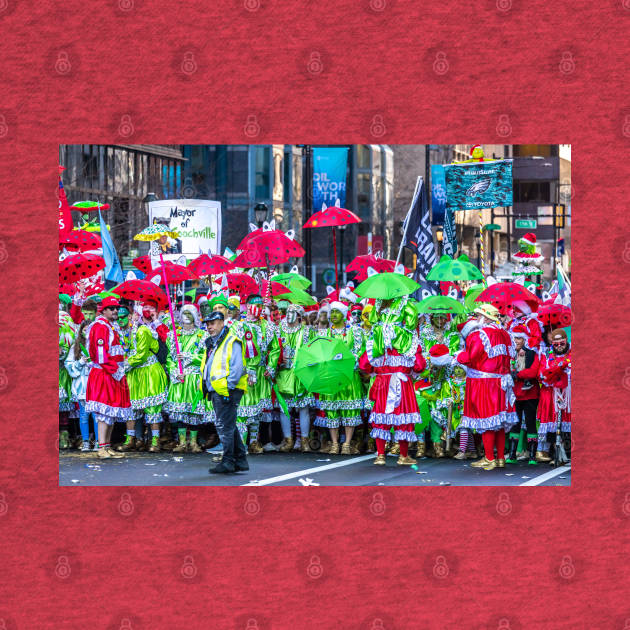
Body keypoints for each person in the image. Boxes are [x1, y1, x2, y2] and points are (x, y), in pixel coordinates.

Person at [359, 295, 426, 466]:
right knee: (403, 419)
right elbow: (419, 366)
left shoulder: (376, 338)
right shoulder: (408, 339)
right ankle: (403, 456)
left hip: (382, 383)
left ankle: (380, 455)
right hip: (402, 385)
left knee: (382, 418)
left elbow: (364, 364)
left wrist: (377, 369)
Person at [456, 304, 518, 470]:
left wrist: (457, 355)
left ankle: (489, 458)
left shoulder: (479, 334)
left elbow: (470, 357)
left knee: (487, 420)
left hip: (484, 383)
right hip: (502, 383)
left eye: (478, 316)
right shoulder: (506, 334)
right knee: (498, 421)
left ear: (486, 318)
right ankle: (499, 458)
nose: (476, 319)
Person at [200, 311, 248, 474]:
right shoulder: (214, 343)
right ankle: (240, 459)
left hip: (226, 390)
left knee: (224, 427)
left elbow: (237, 367)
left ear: (222, 323)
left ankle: (228, 461)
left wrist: (228, 388)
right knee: (229, 426)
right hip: (218, 389)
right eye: (207, 324)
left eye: (212, 323)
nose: (209, 327)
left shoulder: (231, 341)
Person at [85, 297, 133, 458]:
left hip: (112, 373)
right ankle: (101, 448)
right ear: (103, 310)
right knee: (104, 411)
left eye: (116, 308)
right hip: (105, 373)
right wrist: (115, 371)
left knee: (111, 411)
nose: (115, 311)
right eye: (111, 308)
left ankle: (107, 446)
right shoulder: (100, 327)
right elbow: (100, 355)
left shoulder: (110, 327)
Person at [119, 299, 169, 453]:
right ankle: (131, 439)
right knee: (131, 409)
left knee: (152, 408)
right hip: (134, 374)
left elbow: (140, 355)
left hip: (149, 372)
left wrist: (122, 366)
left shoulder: (143, 330)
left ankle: (155, 441)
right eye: (117, 317)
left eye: (124, 317)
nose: (120, 320)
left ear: (131, 316)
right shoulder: (123, 333)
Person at [315, 301, 364, 455]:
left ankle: (347, 444)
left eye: (337, 312)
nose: (333, 315)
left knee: (349, 410)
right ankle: (335, 443)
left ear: (344, 314)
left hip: (349, 377)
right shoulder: (324, 333)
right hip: (331, 377)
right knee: (331, 410)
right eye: (332, 312)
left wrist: (347, 362)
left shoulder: (355, 331)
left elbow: (360, 351)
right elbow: (319, 353)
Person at [232, 302, 281, 454]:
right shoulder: (238, 326)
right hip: (244, 372)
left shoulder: (269, 327)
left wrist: (271, 366)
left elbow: (275, 348)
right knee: (242, 410)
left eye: (256, 309)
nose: (252, 313)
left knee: (257, 410)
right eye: (250, 310)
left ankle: (254, 441)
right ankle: (241, 445)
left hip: (260, 372)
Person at [165, 304, 211, 453]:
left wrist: (190, 356)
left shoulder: (203, 335)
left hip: (194, 378)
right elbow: (169, 358)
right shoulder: (173, 336)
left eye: (189, 314)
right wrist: (174, 372)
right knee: (180, 411)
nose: (185, 316)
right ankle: (182, 442)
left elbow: (206, 357)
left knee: (194, 411)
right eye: (183, 313)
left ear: (195, 316)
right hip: (180, 378)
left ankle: (193, 442)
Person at [274, 304, 313, 452]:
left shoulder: (307, 331)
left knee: (303, 408)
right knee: (285, 408)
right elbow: (272, 349)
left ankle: (304, 441)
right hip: (284, 373)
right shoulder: (278, 330)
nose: (288, 314)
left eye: (292, 312)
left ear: (299, 315)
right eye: (287, 311)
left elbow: (312, 351)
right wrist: (278, 360)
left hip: (301, 374)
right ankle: (288, 440)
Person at [64, 302, 98, 452]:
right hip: (82, 386)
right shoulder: (76, 347)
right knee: (84, 415)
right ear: (81, 332)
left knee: (96, 416)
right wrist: (80, 362)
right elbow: (68, 364)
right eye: (85, 330)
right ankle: (85, 441)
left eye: (90, 330)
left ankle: (99, 441)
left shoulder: (98, 344)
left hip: (96, 385)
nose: (87, 332)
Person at [506, 324, 540, 465]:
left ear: (524, 340)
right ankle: (513, 455)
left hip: (530, 394)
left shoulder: (532, 354)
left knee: (531, 423)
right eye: (514, 338)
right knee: (515, 423)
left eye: (519, 338)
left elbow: (533, 372)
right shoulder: (508, 355)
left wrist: (517, 374)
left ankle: (532, 456)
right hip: (515, 394)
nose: (516, 341)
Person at [535, 328, 571, 463]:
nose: (559, 347)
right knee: (551, 423)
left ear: (566, 341)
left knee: (567, 424)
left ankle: (567, 452)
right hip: (551, 392)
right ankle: (551, 451)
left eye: (562, 343)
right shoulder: (546, 353)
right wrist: (553, 373)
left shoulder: (573, 352)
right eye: (556, 344)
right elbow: (541, 372)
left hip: (568, 392)